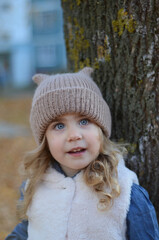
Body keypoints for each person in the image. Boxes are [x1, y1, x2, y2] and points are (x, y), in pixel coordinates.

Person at [5, 67, 159, 240]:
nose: (74, 135)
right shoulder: (34, 187)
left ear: (101, 129)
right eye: (59, 126)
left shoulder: (124, 191)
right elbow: (26, 231)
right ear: (45, 140)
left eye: (84, 121)